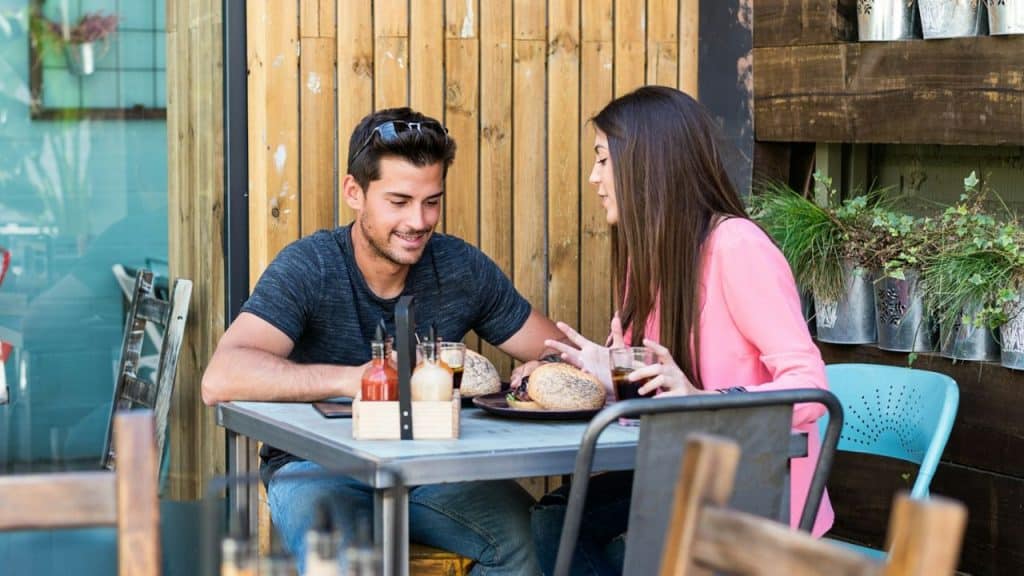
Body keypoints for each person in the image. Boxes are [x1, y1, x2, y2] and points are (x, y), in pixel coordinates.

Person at [202, 107, 568, 575]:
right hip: (316, 470)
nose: (418, 221)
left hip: (433, 470)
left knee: (529, 542)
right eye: (398, 201)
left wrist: (543, 368)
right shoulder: (311, 265)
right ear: (354, 192)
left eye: (431, 201)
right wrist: (359, 379)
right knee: (340, 563)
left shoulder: (460, 267)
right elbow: (221, 377)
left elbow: (558, 350)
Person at [526, 86, 834, 575]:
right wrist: (606, 372)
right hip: (685, 474)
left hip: (753, 492)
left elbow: (812, 388)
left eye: (604, 160)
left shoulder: (736, 247)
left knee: (613, 546)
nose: (594, 177)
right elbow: (654, 387)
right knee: (555, 519)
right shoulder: (649, 258)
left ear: (650, 164)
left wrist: (701, 398)